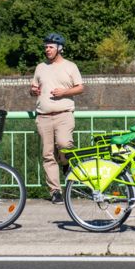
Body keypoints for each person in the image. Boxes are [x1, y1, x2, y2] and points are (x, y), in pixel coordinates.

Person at [30, 33, 84, 203]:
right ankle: (55, 191)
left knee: (64, 145)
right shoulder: (40, 67)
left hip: (64, 115)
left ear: (59, 48)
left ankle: (66, 163)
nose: (47, 50)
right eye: (46, 47)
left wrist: (64, 92)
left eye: (51, 47)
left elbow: (80, 88)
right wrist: (33, 91)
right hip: (43, 117)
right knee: (47, 155)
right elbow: (34, 88)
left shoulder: (70, 66)